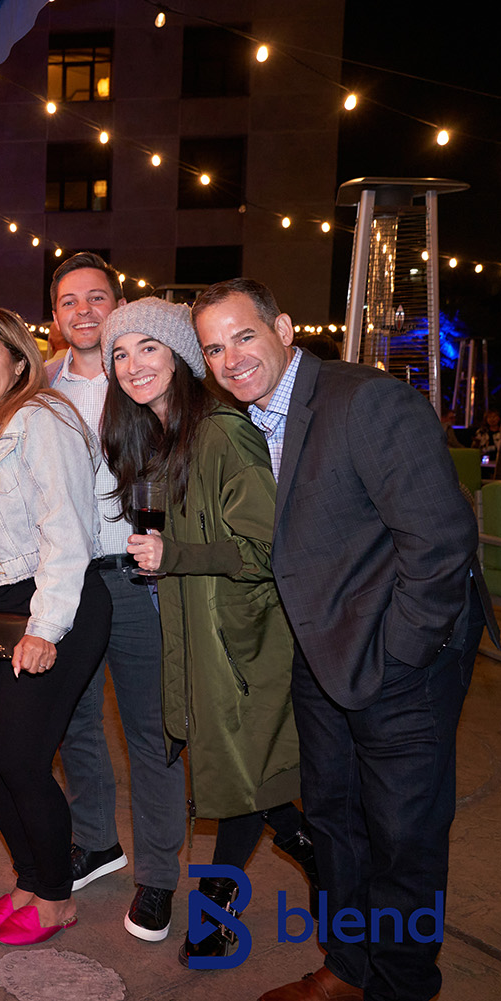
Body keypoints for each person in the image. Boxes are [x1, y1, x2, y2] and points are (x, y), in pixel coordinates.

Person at [193, 278, 497, 1001]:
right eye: (213, 348)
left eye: (243, 336)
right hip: (322, 651)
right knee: (334, 820)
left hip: (400, 660)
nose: (231, 358)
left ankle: (400, 985)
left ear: (284, 329)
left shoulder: (365, 400)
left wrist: (400, 656)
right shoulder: (257, 417)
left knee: (403, 837)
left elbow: (441, 542)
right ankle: (348, 968)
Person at [98, 297, 317, 965]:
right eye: (120, 353)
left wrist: (177, 555)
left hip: (244, 641)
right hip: (202, 636)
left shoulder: (221, 432)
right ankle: (305, 862)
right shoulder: (159, 437)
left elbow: (270, 549)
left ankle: (238, 906)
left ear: (181, 356)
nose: (132, 364)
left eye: (148, 347)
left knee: (241, 776)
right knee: (240, 777)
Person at [0, 307, 110, 946]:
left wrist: (44, 629)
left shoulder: (43, 419)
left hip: (49, 606)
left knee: (21, 758)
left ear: (21, 361)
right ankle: (28, 879)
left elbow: (67, 531)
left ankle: (56, 898)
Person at [45, 253, 185, 942]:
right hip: (67, 579)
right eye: (69, 301)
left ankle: (158, 875)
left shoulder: (144, 378)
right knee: (74, 720)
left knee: (151, 731)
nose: (84, 311)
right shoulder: (40, 383)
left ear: (119, 305)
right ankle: (96, 840)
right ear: (54, 315)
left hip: (137, 577)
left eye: (97, 297)